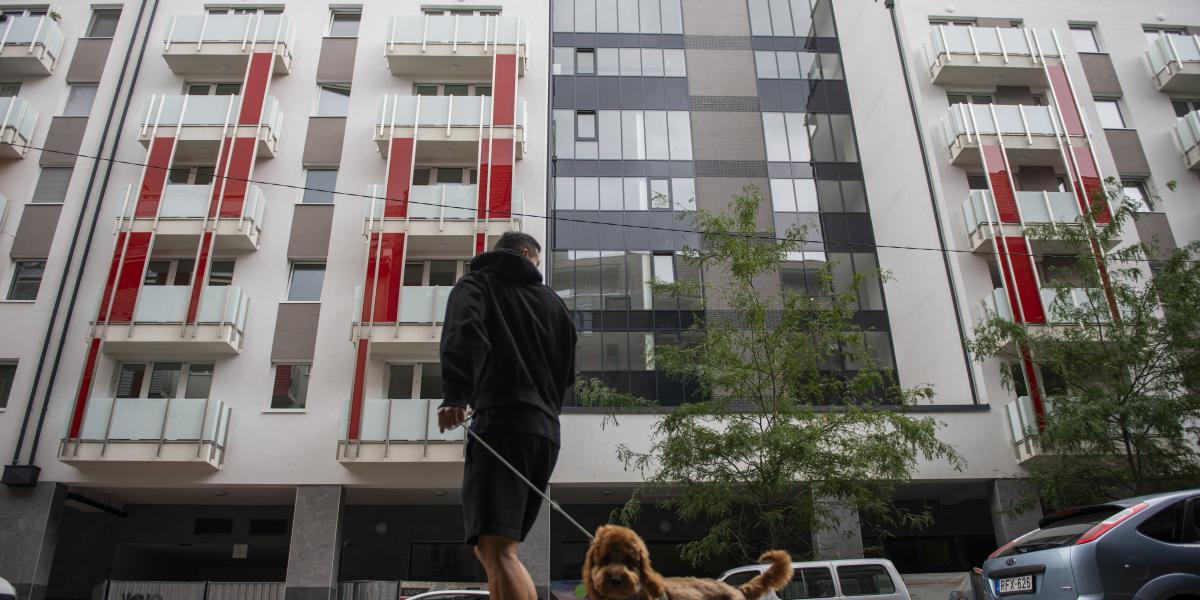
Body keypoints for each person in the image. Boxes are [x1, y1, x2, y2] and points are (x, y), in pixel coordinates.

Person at [437, 231, 577, 600]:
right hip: (546, 433)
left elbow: (464, 331)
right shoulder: (555, 304)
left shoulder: (477, 284)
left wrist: (456, 393)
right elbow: (567, 375)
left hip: (502, 423)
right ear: (527, 254)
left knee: (496, 548)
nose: (537, 269)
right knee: (499, 548)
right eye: (537, 262)